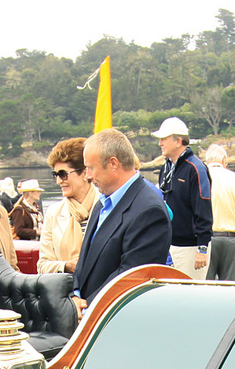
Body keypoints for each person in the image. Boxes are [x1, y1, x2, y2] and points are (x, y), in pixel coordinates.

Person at [72, 128, 169, 306]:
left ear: (113, 163)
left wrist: (87, 308)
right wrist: (75, 294)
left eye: (91, 168)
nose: (87, 176)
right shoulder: (103, 203)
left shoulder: (149, 210)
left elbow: (131, 278)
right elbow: (85, 262)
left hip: (112, 318)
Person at [153, 117, 211, 275]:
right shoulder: (166, 167)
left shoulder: (195, 168)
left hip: (191, 247)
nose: (160, 143)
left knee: (192, 295)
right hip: (170, 244)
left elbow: (203, 207)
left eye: (164, 139)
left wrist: (202, 248)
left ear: (178, 141)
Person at [39, 138, 97, 276]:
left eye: (63, 174)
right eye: (55, 175)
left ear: (84, 172)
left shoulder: (107, 205)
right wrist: (66, 266)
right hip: (67, 292)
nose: (59, 181)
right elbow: (42, 265)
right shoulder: (53, 213)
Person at [202, 145, 235, 281]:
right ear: (224, 160)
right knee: (231, 288)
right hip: (230, 238)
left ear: (207, 161)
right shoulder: (234, 178)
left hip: (205, 239)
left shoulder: (200, 177)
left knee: (204, 285)